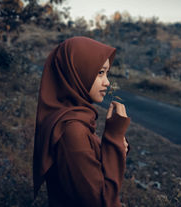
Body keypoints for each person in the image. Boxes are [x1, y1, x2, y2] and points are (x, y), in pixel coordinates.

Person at [33, 36, 130, 207]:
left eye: (107, 73)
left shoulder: (68, 116)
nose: (107, 82)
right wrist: (114, 137)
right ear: (76, 72)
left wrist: (116, 147)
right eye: (100, 73)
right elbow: (101, 202)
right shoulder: (72, 130)